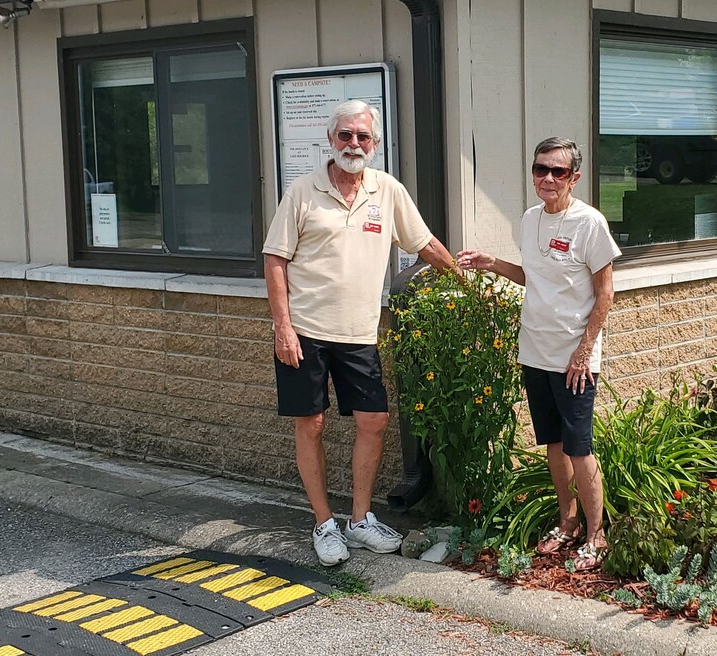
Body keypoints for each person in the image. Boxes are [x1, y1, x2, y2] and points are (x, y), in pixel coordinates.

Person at [263, 99, 457, 566]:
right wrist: (283, 327)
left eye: (363, 137)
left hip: (358, 334)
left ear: (375, 143)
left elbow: (423, 241)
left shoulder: (386, 190)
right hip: (305, 331)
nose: (354, 144)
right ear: (331, 140)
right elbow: (275, 259)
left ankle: (360, 520)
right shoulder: (302, 192)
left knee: (374, 422)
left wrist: (464, 281)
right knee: (311, 425)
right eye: (346, 135)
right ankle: (323, 524)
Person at [457, 137, 620, 570]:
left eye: (558, 171)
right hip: (535, 350)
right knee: (552, 442)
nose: (547, 178)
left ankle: (595, 535)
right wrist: (491, 262)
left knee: (580, 447)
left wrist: (584, 351)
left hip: (574, 359)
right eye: (540, 169)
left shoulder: (589, 224)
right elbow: (534, 277)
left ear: (574, 178)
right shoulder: (530, 219)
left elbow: (605, 294)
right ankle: (566, 524)